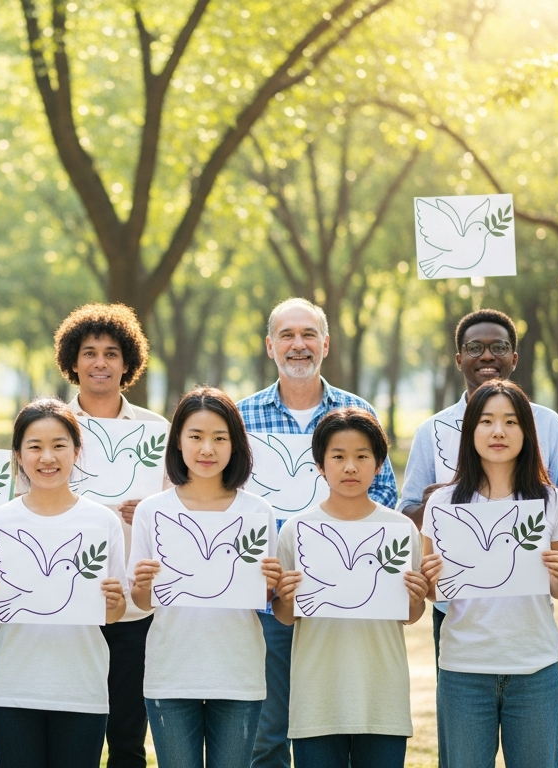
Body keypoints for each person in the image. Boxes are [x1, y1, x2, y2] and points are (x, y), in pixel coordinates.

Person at [236, 297, 396, 768]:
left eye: (308, 334)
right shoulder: (241, 418)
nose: (298, 344)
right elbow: (226, 500)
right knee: (268, 733)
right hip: (268, 597)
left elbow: (384, 494)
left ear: (325, 344)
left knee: (338, 721)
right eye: (286, 335)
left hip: (343, 598)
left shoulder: (356, 410)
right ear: (270, 346)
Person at [419, 380, 558, 767]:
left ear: (527, 432)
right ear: (470, 431)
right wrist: (427, 579)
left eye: (510, 421)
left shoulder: (552, 501)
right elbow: (434, 592)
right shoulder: (442, 503)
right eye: (486, 421)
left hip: (535, 667)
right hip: (464, 671)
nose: (498, 431)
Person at [399, 309, 558, 666]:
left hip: (526, 602)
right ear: (459, 359)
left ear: (514, 358)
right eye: (475, 348)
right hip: (456, 604)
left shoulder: (549, 424)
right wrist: (439, 505)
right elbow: (407, 513)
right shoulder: (431, 430)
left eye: (499, 347)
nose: (487, 356)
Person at [128, 388, 280, 768]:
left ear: (236, 444)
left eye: (219, 438)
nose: (207, 449)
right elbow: (143, 602)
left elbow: (263, 596)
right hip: (171, 672)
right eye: (195, 436)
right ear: (178, 441)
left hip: (238, 672)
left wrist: (271, 585)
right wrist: (142, 585)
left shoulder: (257, 512)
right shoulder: (152, 511)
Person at [0, 399, 128, 768]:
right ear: (18, 454)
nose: (47, 457)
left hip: (82, 687)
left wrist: (114, 601)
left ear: (77, 451)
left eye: (59, 445)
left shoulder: (102, 522)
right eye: (35, 446)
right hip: (12, 688)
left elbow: (114, 613)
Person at [47, 302, 168, 768]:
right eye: (90, 352)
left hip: (135, 608)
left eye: (111, 353)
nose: (100, 362)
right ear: (73, 362)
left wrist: (152, 514)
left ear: (127, 363)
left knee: (127, 740)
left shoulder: (157, 431)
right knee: (67, 739)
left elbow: (181, 513)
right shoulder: (49, 425)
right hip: (65, 604)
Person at [271, 408, 427, 768]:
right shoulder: (296, 530)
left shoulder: (401, 530)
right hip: (317, 701)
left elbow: (410, 615)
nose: (350, 467)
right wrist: (287, 597)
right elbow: (284, 616)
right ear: (320, 465)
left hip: (382, 698)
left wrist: (417, 596)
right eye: (338, 457)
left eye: (362, 456)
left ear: (379, 464)